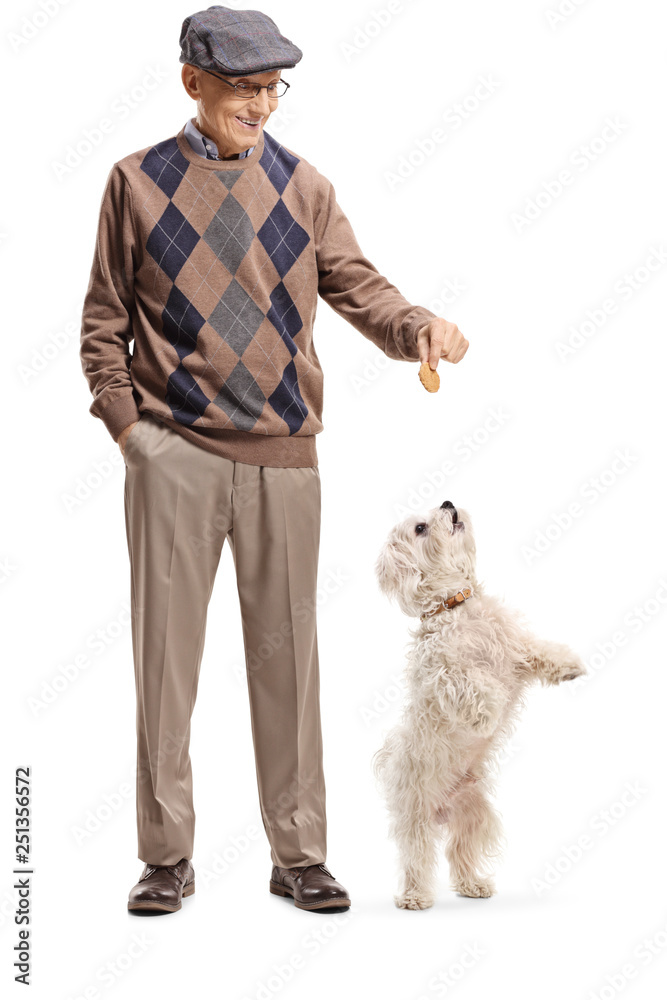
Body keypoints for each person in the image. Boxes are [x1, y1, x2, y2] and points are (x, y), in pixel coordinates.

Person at [79, 4, 469, 915]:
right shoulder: (134, 183)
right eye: (244, 87)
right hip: (172, 453)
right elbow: (102, 324)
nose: (261, 104)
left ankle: (299, 857)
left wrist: (418, 328)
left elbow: (358, 287)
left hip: (284, 459)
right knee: (163, 664)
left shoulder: (305, 187)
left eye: (272, 87)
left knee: (287, 665)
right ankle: (165, 857)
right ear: (192, 83)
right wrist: (132, 435)